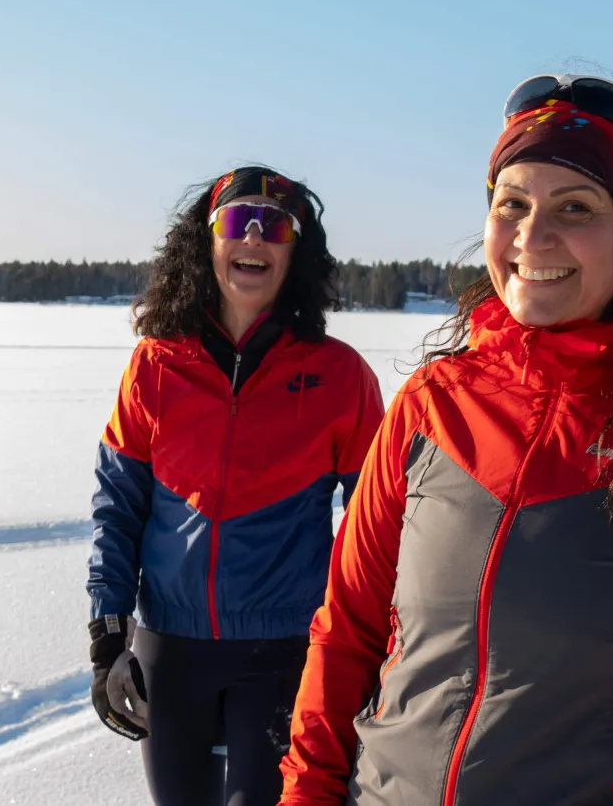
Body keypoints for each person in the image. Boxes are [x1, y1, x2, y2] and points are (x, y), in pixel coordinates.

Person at [279, 76, 613, 805]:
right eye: (512, 205)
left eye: (576, 208)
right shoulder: (431, 407)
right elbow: (346, 634)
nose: (532, 239)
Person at [87, 166, 385, 806]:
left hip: (284, 652)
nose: (254, 237)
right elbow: (118, 508)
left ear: (294, 251)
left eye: (274, 226)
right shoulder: (155, 365)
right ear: (208, 241)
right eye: (236, 221)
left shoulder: (340, 376)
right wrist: (108, 633)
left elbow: (377, 529)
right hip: (170, 650)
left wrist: (373, 651)